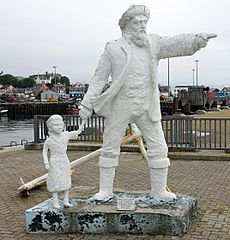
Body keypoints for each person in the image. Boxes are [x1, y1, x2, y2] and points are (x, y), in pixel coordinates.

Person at [79, 4, 217, 201]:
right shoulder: (113, 47)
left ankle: (159, 191)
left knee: (159, 147)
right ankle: (105, 191)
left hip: (146, 106)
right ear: (127, 24)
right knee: (110, 146)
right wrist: (86, 104)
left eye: (145, 22)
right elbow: (99, 78)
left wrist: (196, 40)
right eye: (138, 21)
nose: (143, 25)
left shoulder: (153, 43)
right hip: (120, 105)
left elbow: (176, 43)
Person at [43, 114, 80, 208]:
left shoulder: (65, 135)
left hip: (64, 159)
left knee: (66, 178)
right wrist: (46, 163)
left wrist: (83, 123)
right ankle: (55, 201)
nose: (59, 127)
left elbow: (77, 132)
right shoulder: (49, 140)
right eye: (56, 125)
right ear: (50, 128)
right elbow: (44, 152)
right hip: (54, 160)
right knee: (55, 179)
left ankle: (66, 200)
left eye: (60, 125)